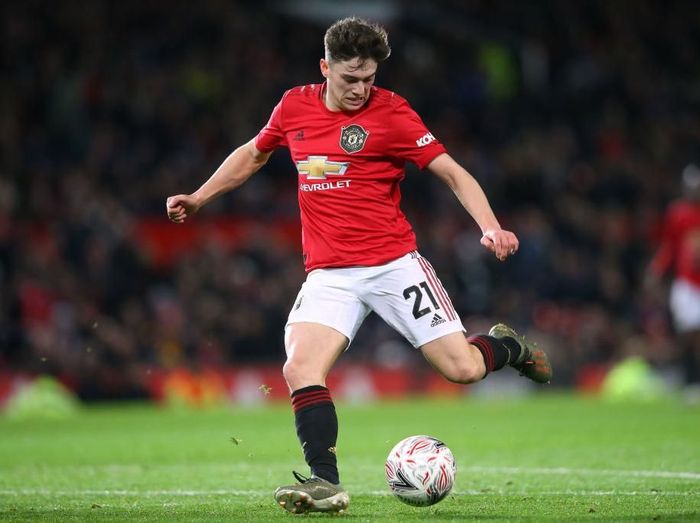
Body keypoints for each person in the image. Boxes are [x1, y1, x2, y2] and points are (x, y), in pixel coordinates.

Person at [166, 17, 552, 514]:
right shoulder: (293, 106)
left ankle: (508, 346)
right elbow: (252, 155)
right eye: (350, 79)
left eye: (369, 79)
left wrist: (489, 226)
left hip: (395, 265)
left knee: (463, 369)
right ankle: (324, 482)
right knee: (300, 366)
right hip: (331, 275)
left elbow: (453, 173)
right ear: (325, 68)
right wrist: (199, 197)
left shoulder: (393, 114)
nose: (360, 89)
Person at [648, 163, 700, 398]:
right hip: (687, 283)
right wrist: (657, 269)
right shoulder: (677, 213)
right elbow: (669, 246)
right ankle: (691, 382)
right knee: (688, 335)